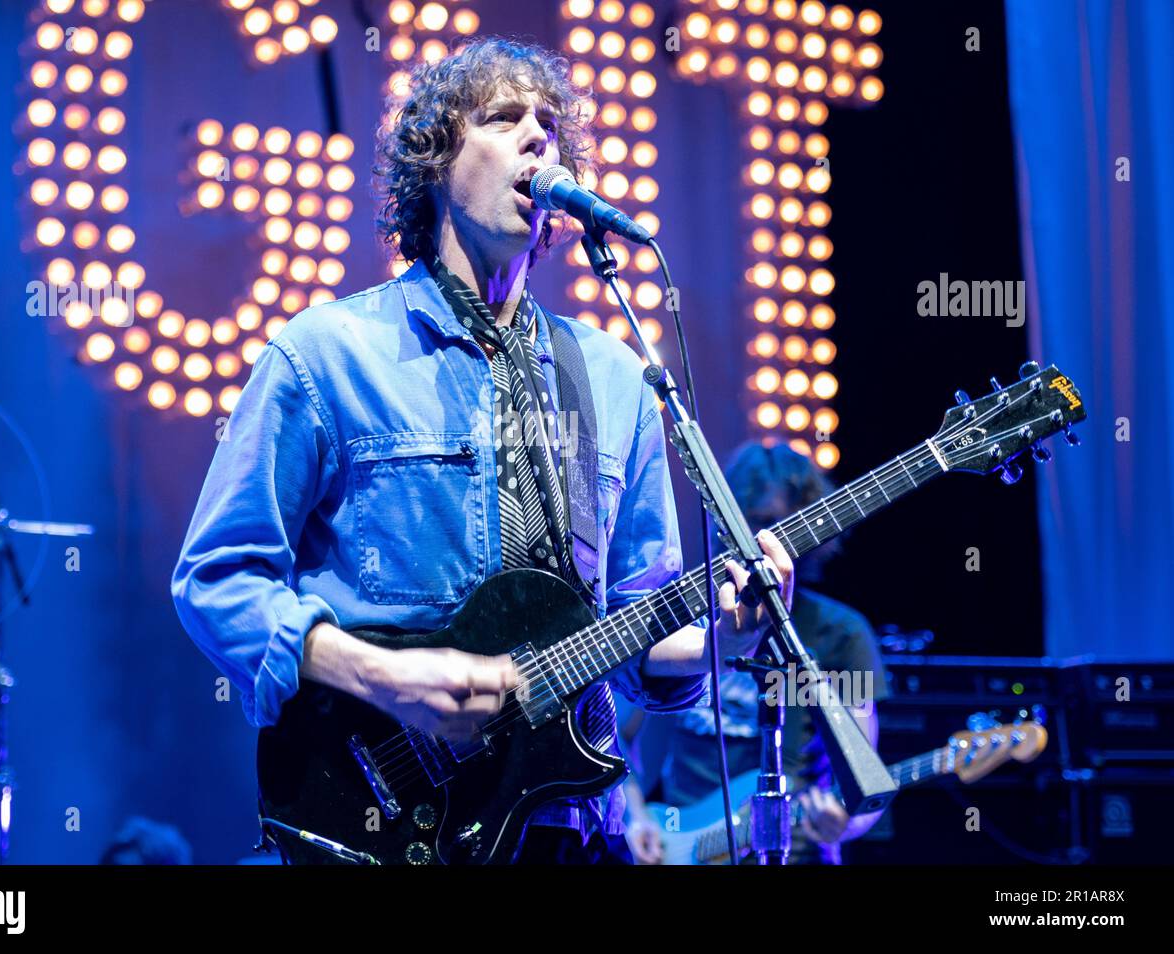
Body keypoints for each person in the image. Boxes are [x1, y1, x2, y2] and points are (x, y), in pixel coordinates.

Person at [171, 37, 792, 865]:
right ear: (434, 162)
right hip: (380, 821)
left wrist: (725, 634)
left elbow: (640, 639)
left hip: (574, 830)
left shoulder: (615, 376)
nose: (539, 137)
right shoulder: (327, 354)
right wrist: (377, 674)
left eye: (550, 124)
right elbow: (215, 578)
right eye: (504, 118)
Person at [622, 442, 889, 865]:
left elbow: (862, 776)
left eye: (784, 526)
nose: (767, 544)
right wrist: (634, 816)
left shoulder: (841, 633)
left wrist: (845, 820)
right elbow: (619, 734)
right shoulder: (685, 625)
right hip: (682, 847)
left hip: (795, 851)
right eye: (756, 524)